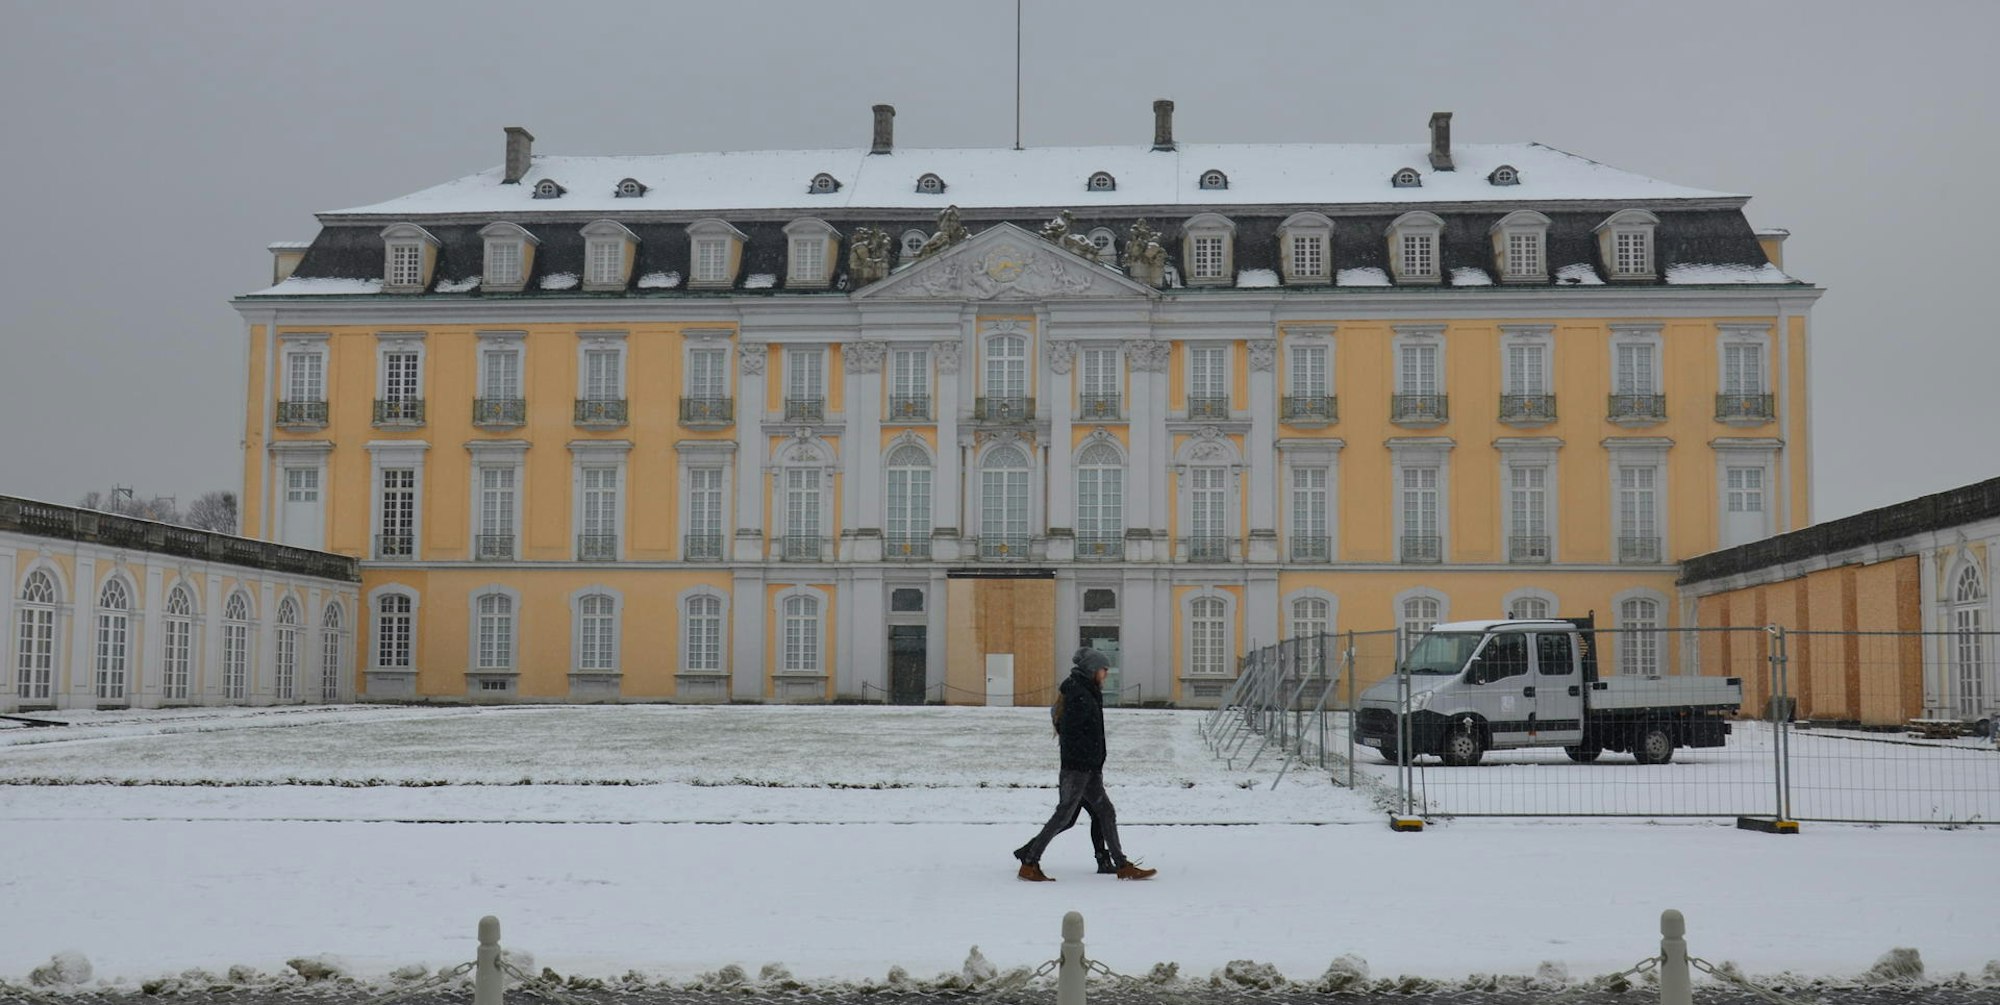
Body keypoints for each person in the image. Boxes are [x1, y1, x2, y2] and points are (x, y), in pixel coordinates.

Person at [1012, 648, 1157, 881]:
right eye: (1103, 670)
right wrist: (1084, 760)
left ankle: (1121, 865)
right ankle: (1029, 862)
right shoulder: (1078, 693)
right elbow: (1070, 732)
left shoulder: (1087, 691)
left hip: (1089, 768)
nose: (1106, 674)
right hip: (1078, 768)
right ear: (1092, 670)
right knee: (1064, 816)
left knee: (1105, 812)